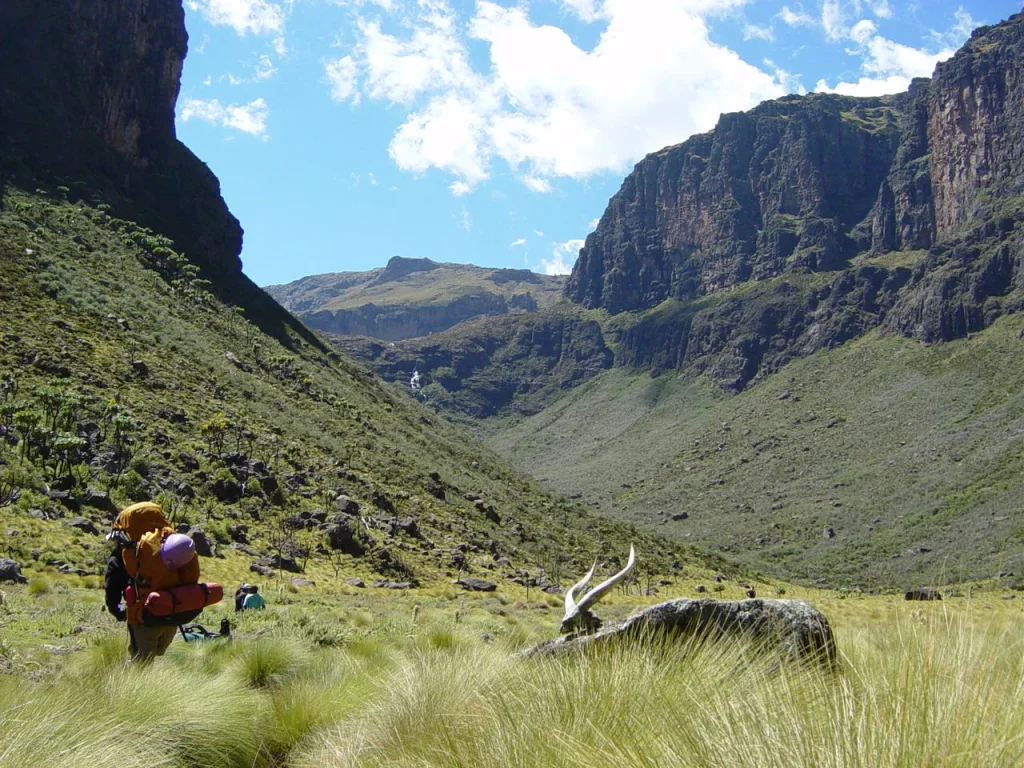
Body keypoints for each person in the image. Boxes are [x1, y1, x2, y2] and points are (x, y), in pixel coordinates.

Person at [104, 502, 200, 661]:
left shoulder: (128, 549)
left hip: (144, 616)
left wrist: (117, 611)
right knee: (157, 654)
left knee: (140, 662)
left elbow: (112, 584)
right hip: (174, 612)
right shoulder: (175, 542)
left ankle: (130, 685)